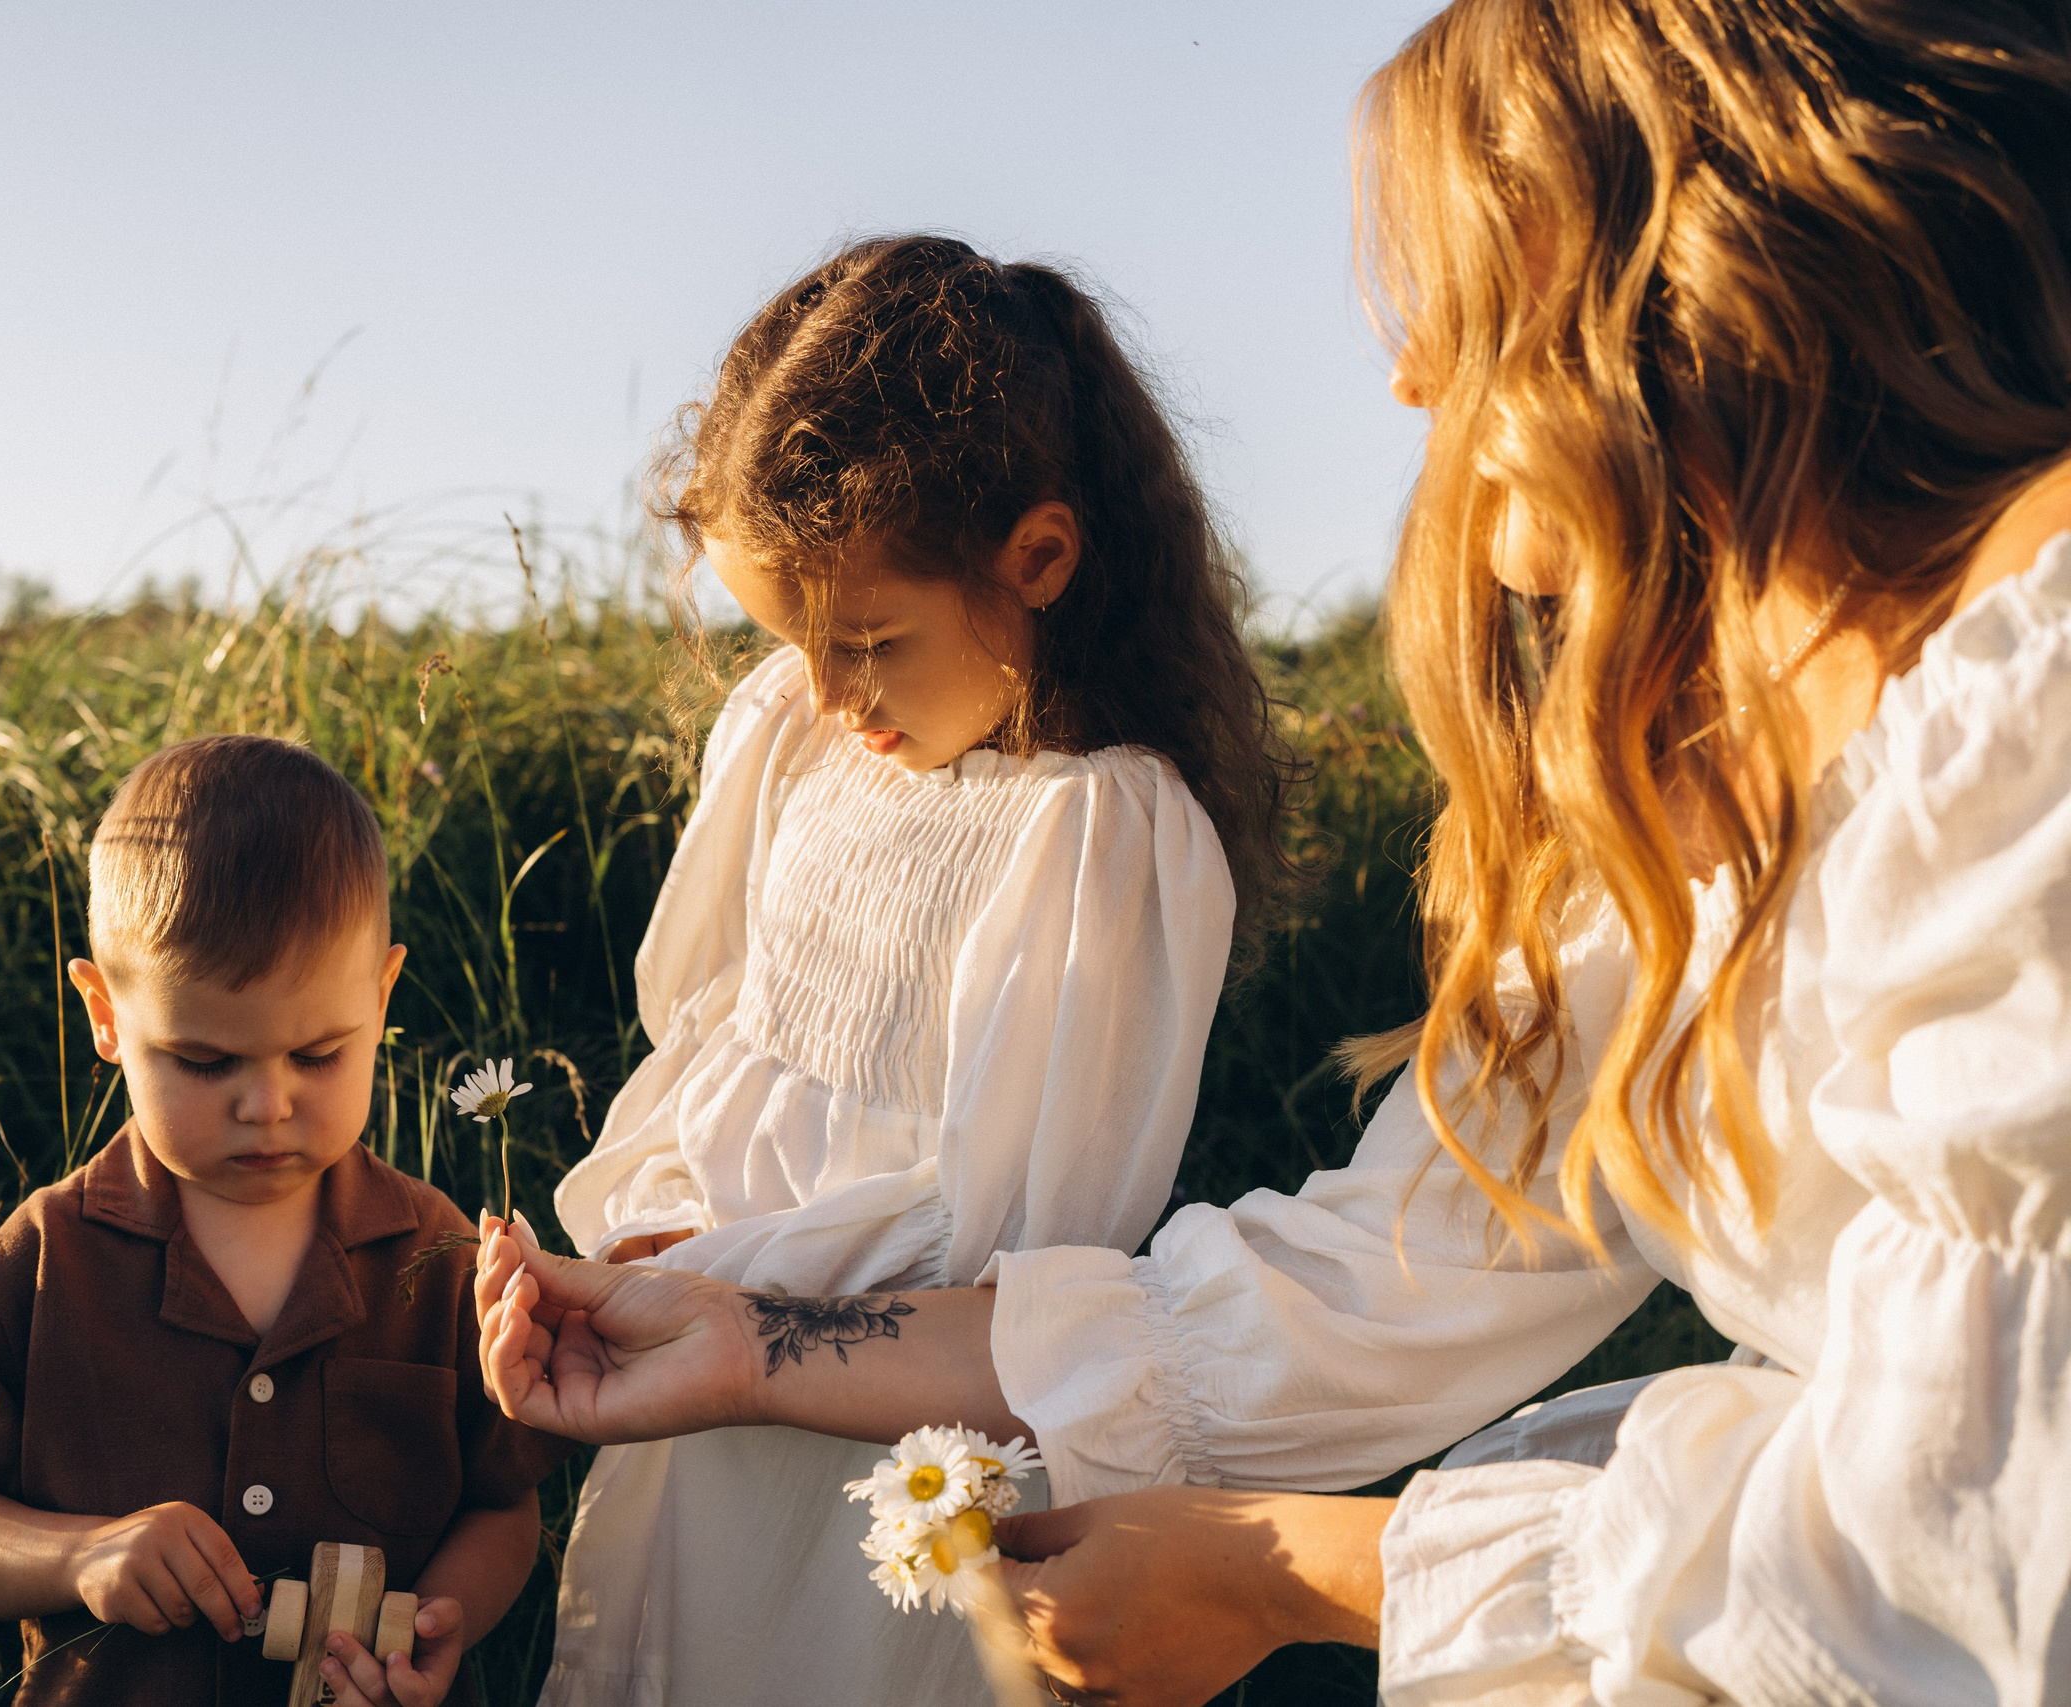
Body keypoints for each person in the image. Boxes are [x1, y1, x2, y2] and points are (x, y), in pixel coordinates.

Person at [476, 2, 2071, 1702]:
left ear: (1703, 268)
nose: (1404, 376)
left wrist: (1304, 1564)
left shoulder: (2026, 713)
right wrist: (748, 1341)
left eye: (1464, 278)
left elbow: (1968, 1548)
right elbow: (1384, 1276)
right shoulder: (1667, 800)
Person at [535, 235, 1298, 1707]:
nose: (828, 693)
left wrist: (727, 1278)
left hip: (890, 1426)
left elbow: (1018, 1230)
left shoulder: (1098, 830)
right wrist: (662, 1220)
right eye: (794, 642)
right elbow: (704, 1024)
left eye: (873, 640)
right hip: (693, 1366)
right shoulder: (797, 728)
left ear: (1039, 559)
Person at [0, 735, 566, 1707]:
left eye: (317, 1055)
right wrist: (81, 1554)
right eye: (203, 1061)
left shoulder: (433, 1255)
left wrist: (437, 1625)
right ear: (104, 1014)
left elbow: (502, 1502)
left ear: (382, 994)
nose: (266, 1104)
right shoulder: (46, 1257)